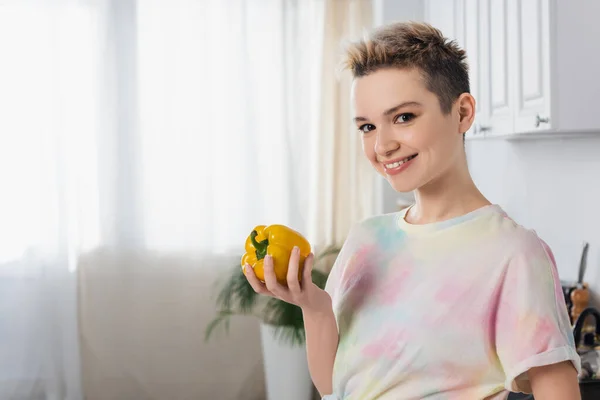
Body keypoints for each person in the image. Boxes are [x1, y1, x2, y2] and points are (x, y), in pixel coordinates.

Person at [243, 21, 581, 399]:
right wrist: (314, 305)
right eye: (368, 126)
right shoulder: (366, 239)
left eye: (403, 117)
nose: (382, 145)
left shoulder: (514, 253)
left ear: (463, 112)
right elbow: (333, 388)